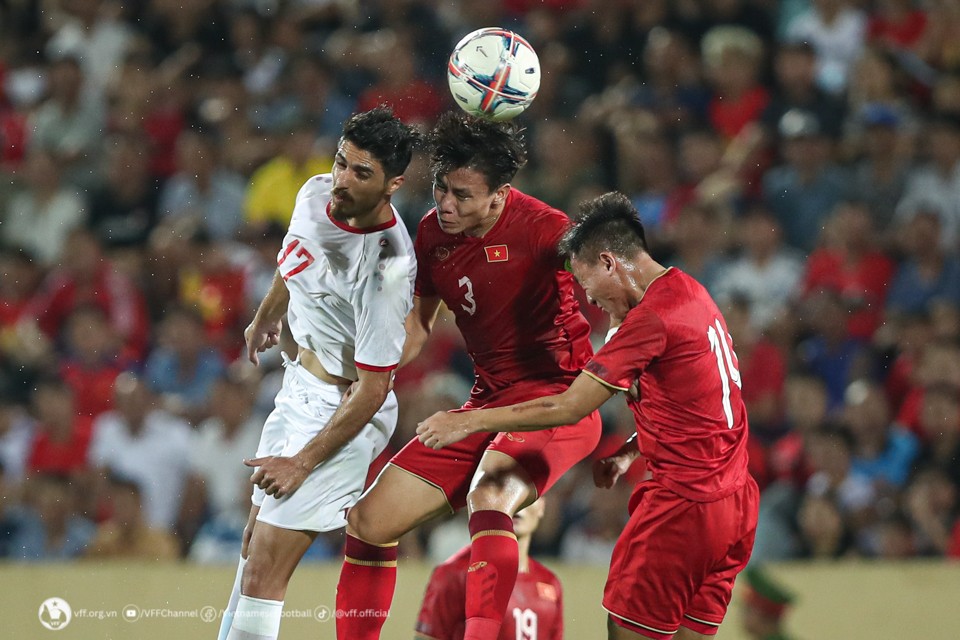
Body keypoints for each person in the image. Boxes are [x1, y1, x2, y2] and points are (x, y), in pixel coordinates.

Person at [418, 192, 759, 640]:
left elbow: (568, 406)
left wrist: (467, 420)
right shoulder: (691, 292)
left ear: (609, 262)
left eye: (586, 283)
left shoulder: (650, 320)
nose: (590, 301)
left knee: (627, 630)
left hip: (683, 507)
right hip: (735, 505)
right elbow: (705, 406)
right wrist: (631, 452)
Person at [335, 112, 602, 640]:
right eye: (439, 187)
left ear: (501, 195)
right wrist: (371, 372)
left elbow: (620, 292)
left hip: (558, 402)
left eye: (462, 194)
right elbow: (418, 327)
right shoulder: (433, 233)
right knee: (368, 523)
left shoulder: (546, 228)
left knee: (490, 493)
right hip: (486, 404)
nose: (445, 204)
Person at [218, 107, 419, 640]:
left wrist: (303, 463)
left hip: (342, 407)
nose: (342, 180)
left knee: (265, 570)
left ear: (393, 184)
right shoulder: (313, 193)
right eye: (341, 163)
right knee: (251, 551)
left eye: (361, 173)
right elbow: (294, 260)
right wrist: (266, 315)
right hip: (298, 389)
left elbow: (376, 386)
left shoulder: (388, 266)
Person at [415, 499, 563, 640]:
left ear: (542, 506)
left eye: (529, 495)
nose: (518, 501)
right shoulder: (454, 574)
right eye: (507, 490)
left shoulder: (550, 581)